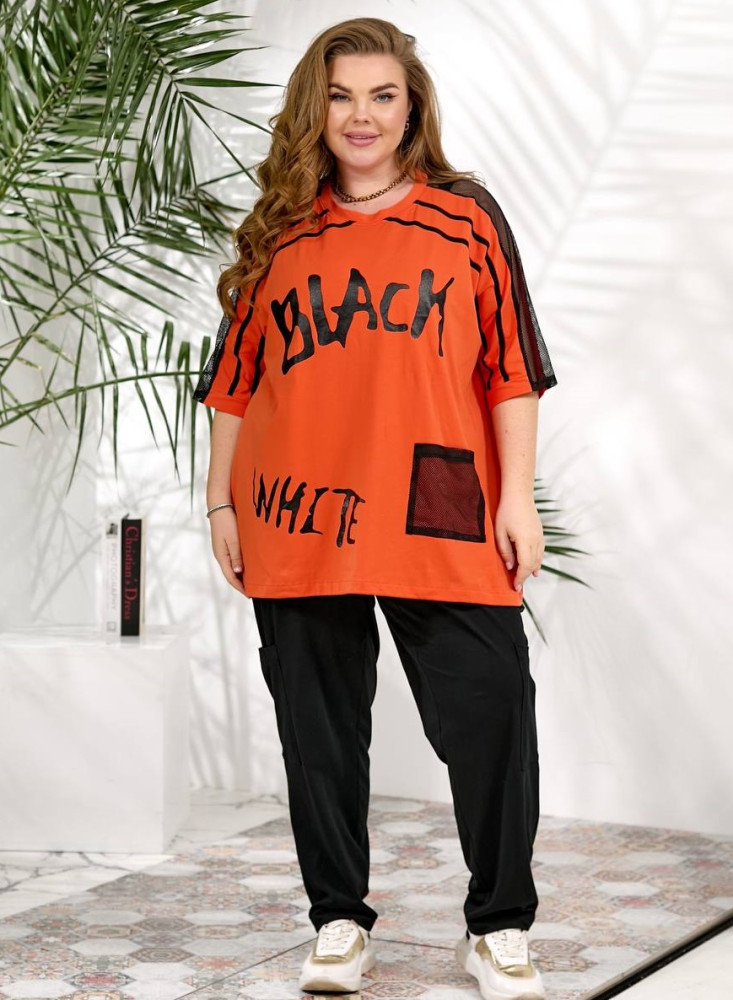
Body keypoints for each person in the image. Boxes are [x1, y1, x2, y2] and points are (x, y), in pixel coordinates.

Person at [194, 16, 557, 1000]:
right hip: (296, 506)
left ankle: (499, 925)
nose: (361, 116)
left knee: (491, 709)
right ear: (314, 110)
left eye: (381, 95)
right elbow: (233, 383)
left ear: (411, 106)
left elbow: (511, 368)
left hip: (437, 500)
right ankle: (338, 921)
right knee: (317, 730)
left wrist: (516, 497)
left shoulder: (464, 216)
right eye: (341, 96)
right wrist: (219, 501)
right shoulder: (280, 227)